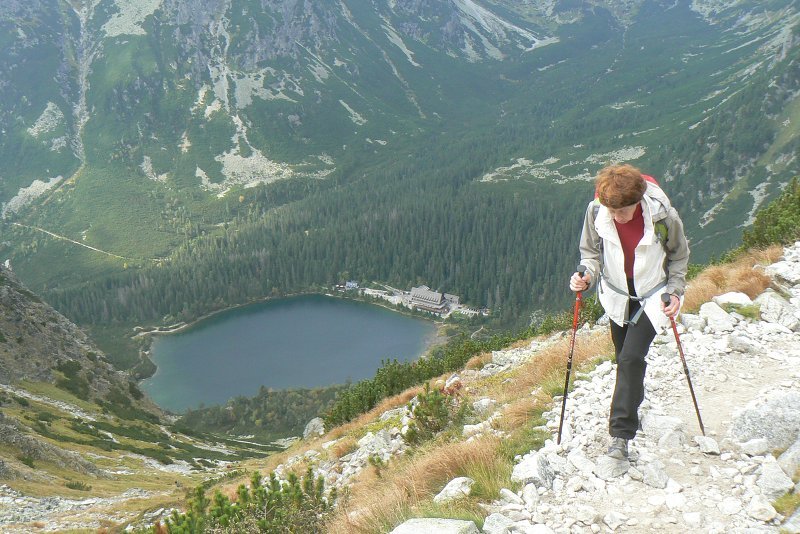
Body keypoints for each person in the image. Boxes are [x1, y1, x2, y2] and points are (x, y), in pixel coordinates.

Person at [569, 163, 690, 459]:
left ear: (637, 201)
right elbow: (591, 252)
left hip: (653, 295)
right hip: (617, 295)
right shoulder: (597, 210)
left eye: (621, 211)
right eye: (611, 209)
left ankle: (620, 436)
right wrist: (585, 274)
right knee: (624, 359)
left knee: (630, 357)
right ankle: (634, 398)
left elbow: (679, 255)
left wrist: (674, 292)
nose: (615, 216)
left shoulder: (663, 215)